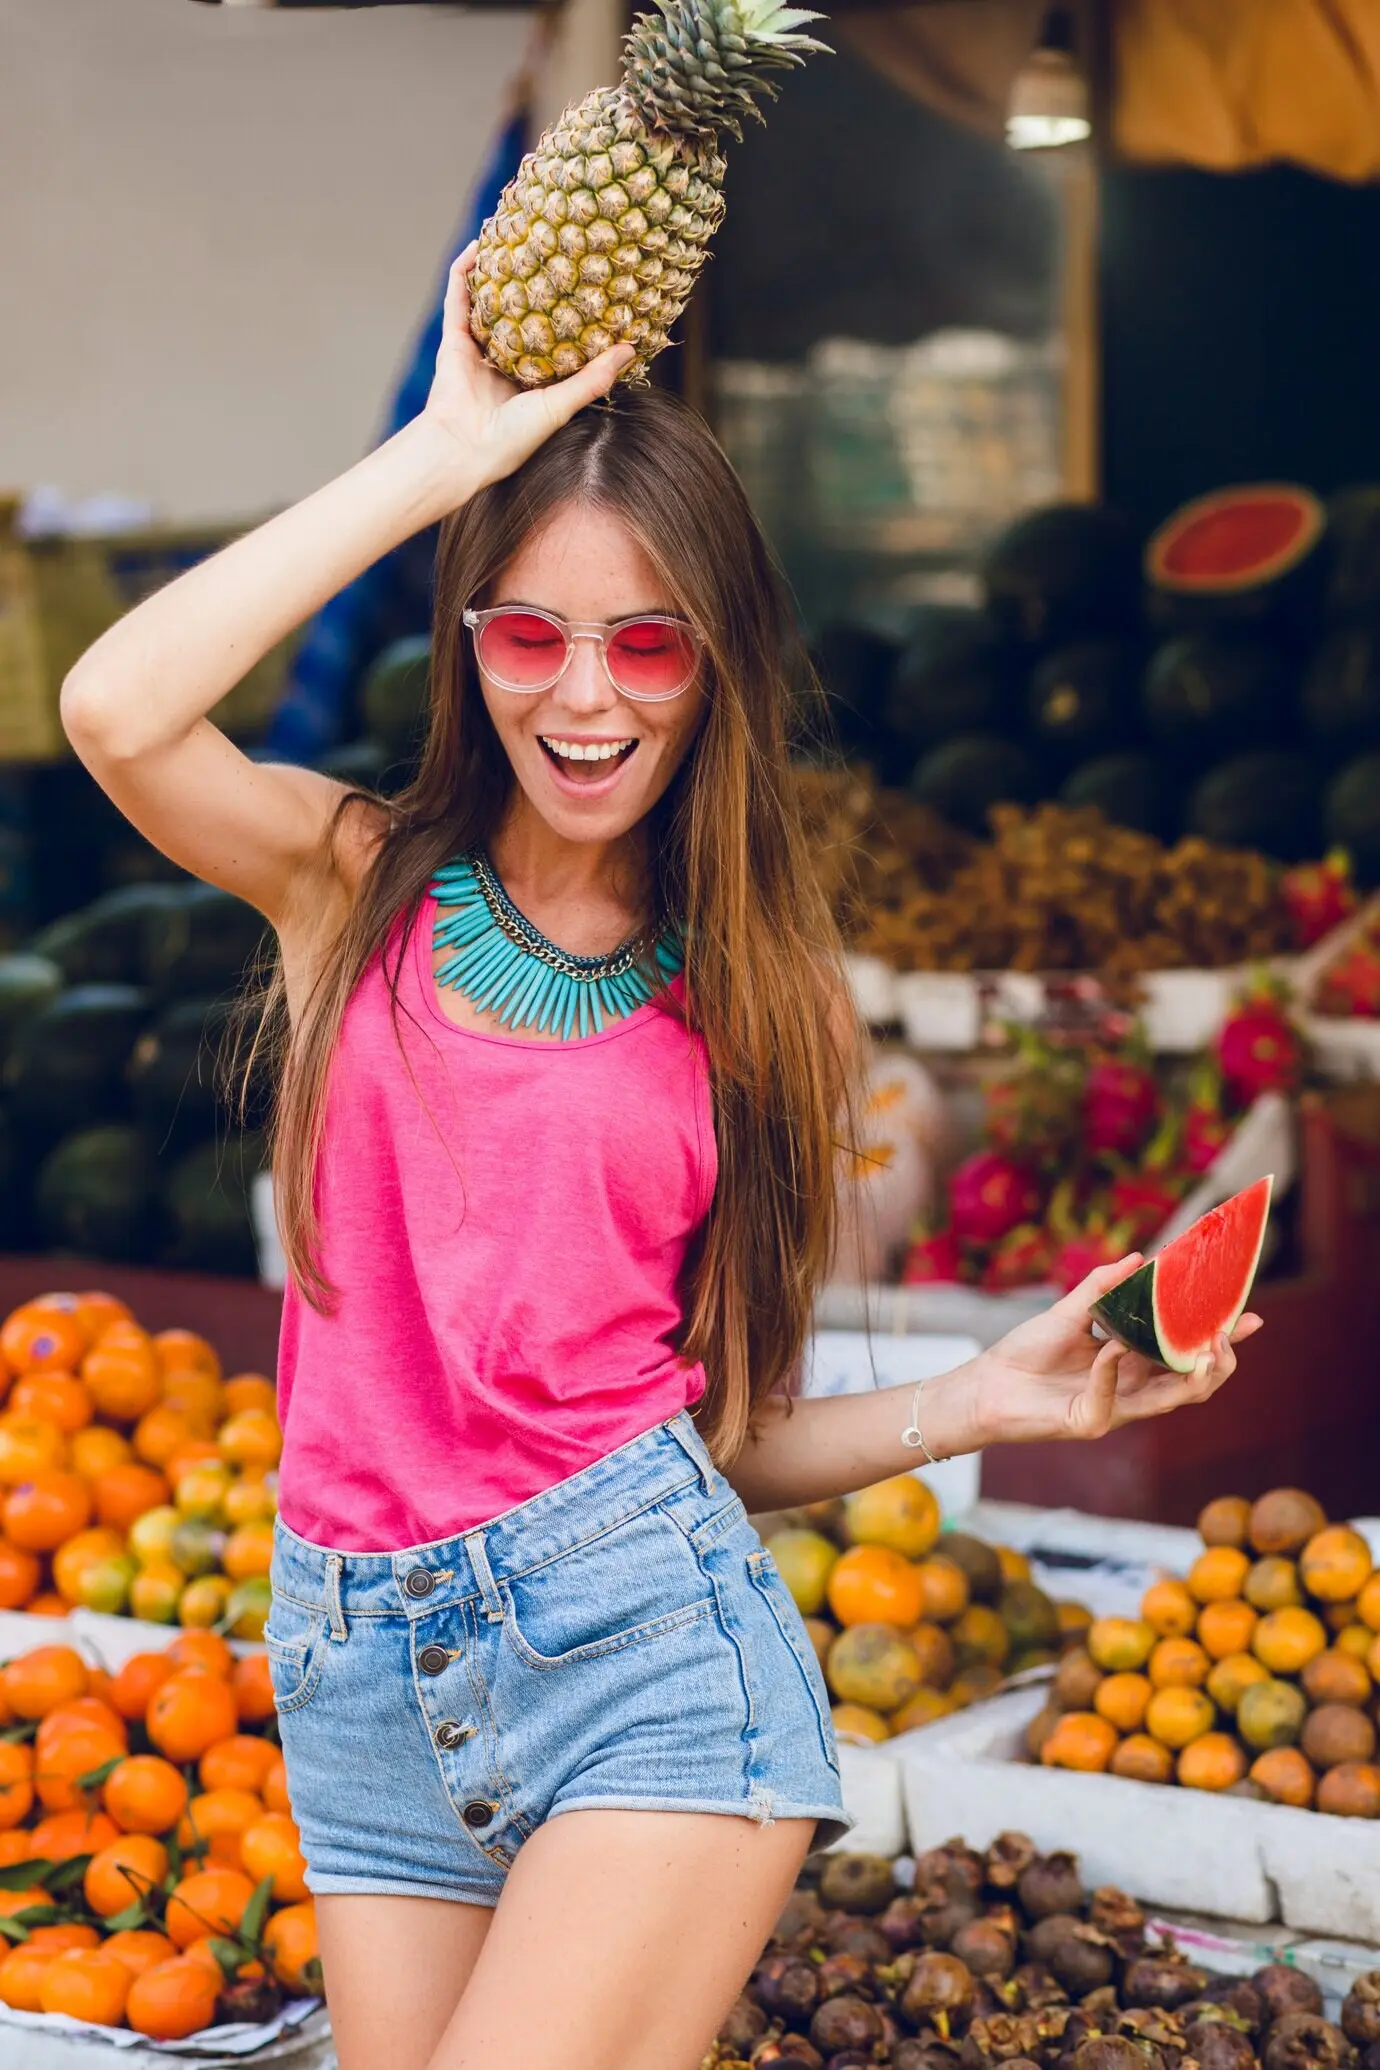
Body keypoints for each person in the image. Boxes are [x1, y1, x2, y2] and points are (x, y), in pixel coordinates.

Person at [62, 250, 1258, 2070]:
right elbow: (116, 710)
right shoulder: (353, 878)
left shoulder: (746, 1009)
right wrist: (444, 455)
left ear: (716, 667)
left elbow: (700, 1432)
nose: (587, 698)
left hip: (644, 1647)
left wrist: (992, 1395)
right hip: (353, 1665)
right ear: (472, 646)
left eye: (647, 641)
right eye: (531, 632)